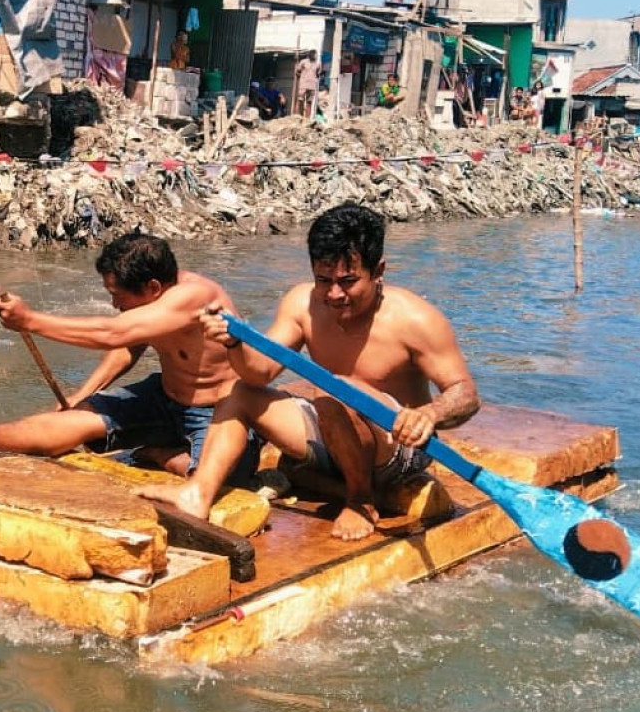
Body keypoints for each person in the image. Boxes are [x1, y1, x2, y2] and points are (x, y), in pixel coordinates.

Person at [135, 203, 480, 541]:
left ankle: (360, 500)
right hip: (334, 429)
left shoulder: (416, 319)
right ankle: (198, 493)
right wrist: (234, 344)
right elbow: (259, 374)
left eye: (348, 281)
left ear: (379, 271)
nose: (334, 294)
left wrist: (429, 414)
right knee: (236, 391)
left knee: (335, 389)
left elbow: (465, 394)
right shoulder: (303, 304)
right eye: (323, 280)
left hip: (397, 448)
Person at [0, 233, 262, 481]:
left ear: (152, 287)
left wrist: (30, 321)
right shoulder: (153, 300)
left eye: (118, 297)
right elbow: (128, 347)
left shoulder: (196, 296)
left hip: (216, 409)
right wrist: (82, 395)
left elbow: (114, 333)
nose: (114, 305)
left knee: (221, 476)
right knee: (77, 417)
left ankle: (159, 454)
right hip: (164, 398)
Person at [295, 50, 321, 119]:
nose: (316, 56)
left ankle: (307, 119)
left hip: (312, 86)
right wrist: (302, 78)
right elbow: (297, 71)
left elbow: (318, 74)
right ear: (311, 54)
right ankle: (297, 117)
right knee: (300, 100)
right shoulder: (303, 62)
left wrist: (314, 79)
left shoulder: (318, 64)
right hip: (303, 85)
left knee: (309, 103)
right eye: (315, 54)